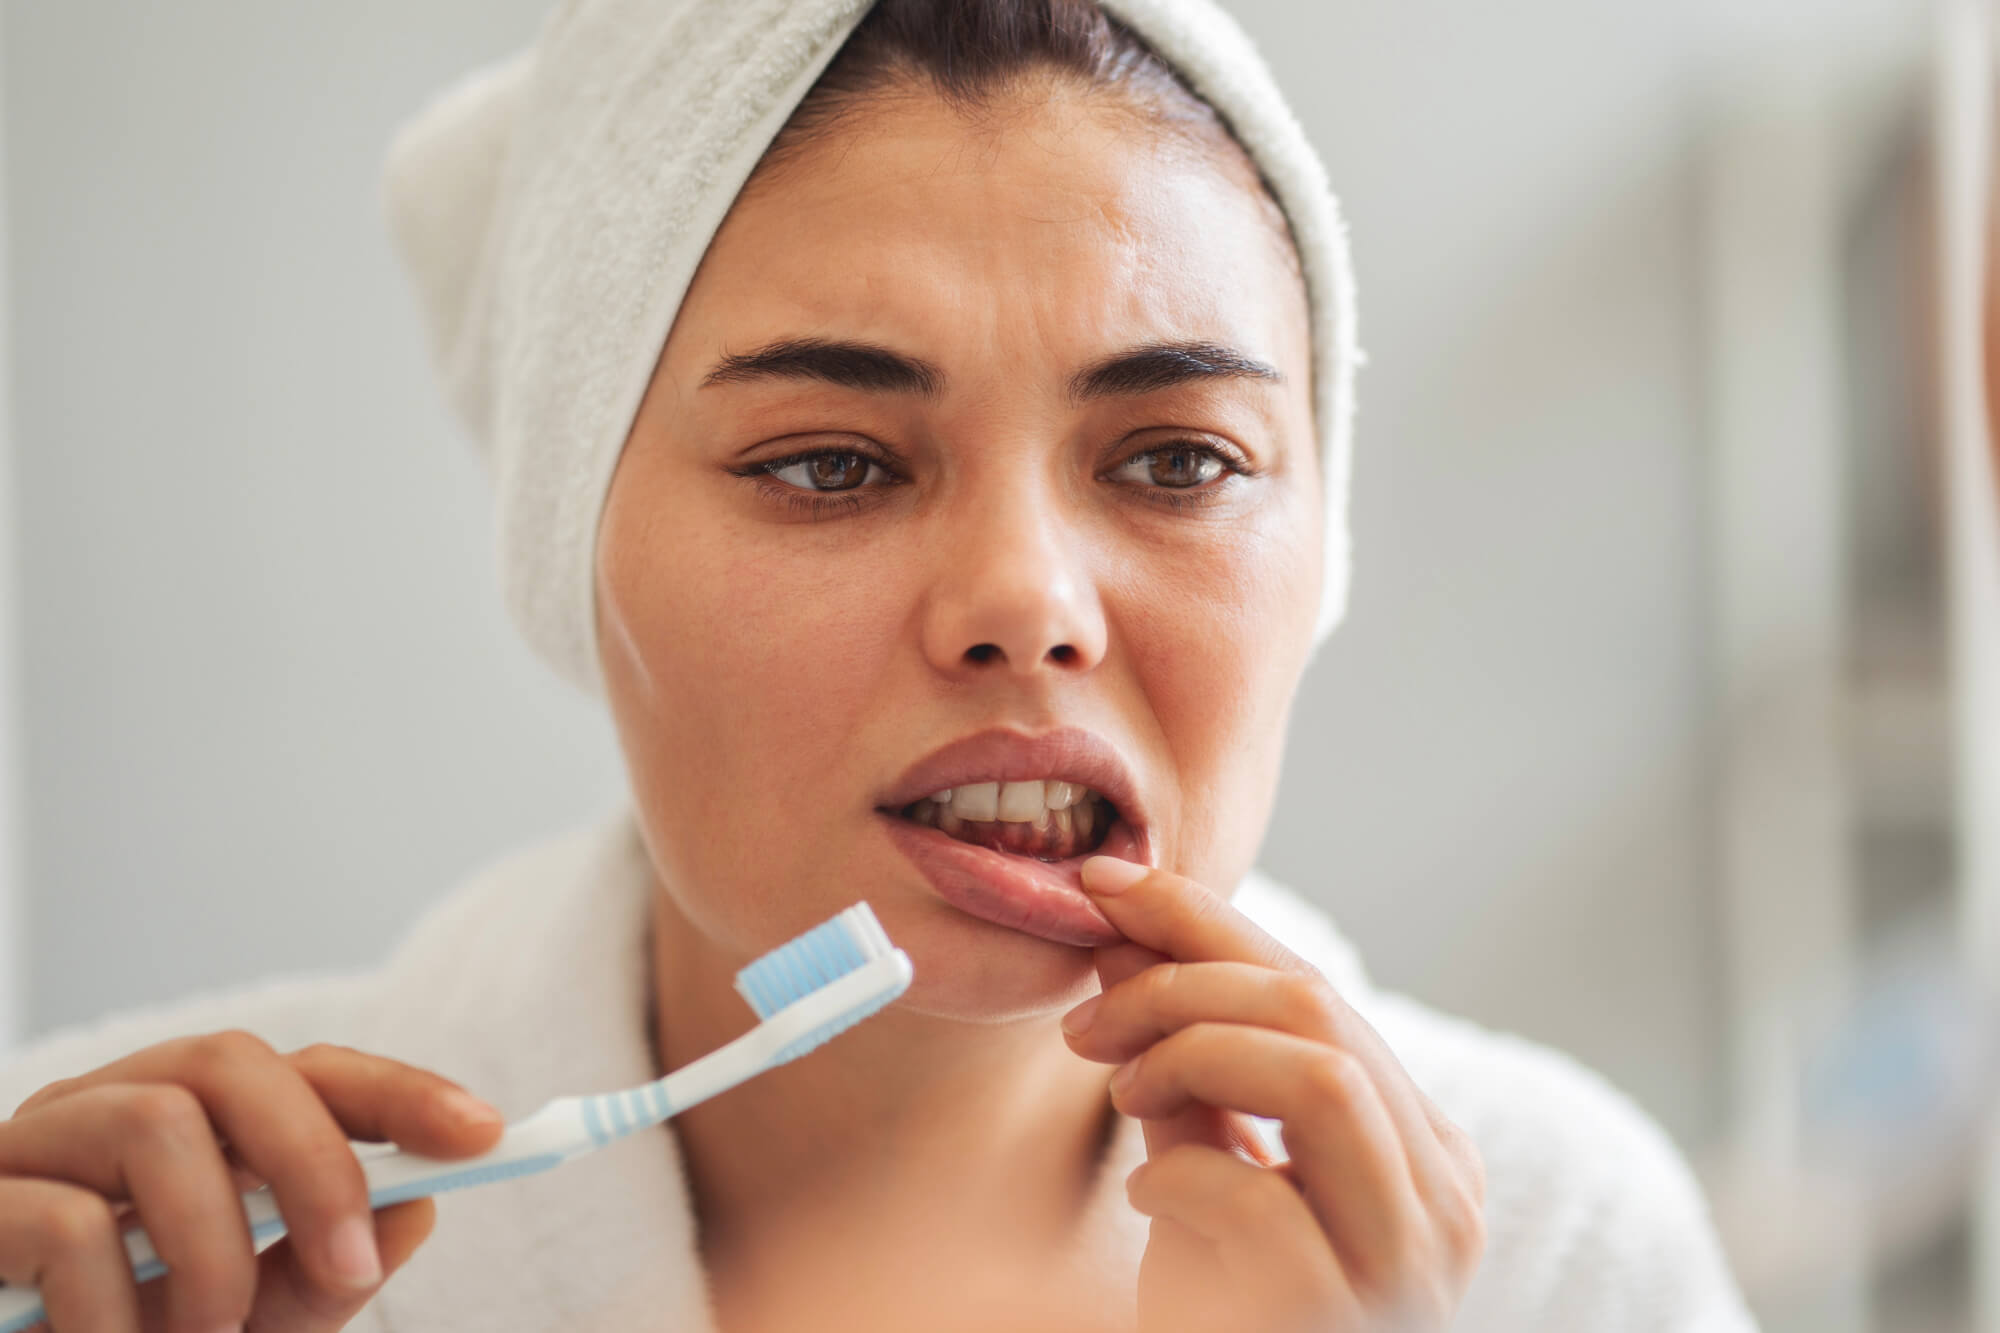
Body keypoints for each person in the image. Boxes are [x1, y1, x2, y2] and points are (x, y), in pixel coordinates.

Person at [0, 1, 1760, 1329]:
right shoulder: (126, 1250)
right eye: (832, 461)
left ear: (1324, 549)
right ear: (573, 546)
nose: (1027, 602)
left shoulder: (1560, 1250)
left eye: (1175, 460)